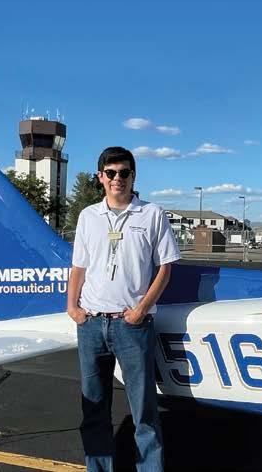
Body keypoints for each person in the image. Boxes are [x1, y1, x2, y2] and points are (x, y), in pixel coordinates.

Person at [67, 146, 179, 471]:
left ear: (133, 176)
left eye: (125, 172)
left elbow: (165, 267)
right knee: (94, 408)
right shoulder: (88, 216)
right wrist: (72, 307)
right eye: (111, 173)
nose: (118, 178)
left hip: (132, 326)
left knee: (144, 411)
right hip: (91, 324)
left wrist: (141, 309)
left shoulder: (152, 214)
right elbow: (78, 268)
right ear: (101, 177)